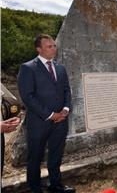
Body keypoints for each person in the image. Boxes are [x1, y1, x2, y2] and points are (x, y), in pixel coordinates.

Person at [17, 34, 75, 193]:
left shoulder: (60, 68)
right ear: (39, 49)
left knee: (56, 155)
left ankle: (56, 186)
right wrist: (51, 115)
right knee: (35, 158)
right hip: (38, 123)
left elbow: (66, 91)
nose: (54, 48)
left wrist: (65, 110)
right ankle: (35, 189)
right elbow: (28, 97)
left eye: (54, 45)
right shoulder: (28, 68)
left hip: (61, 122)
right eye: (49, 46)